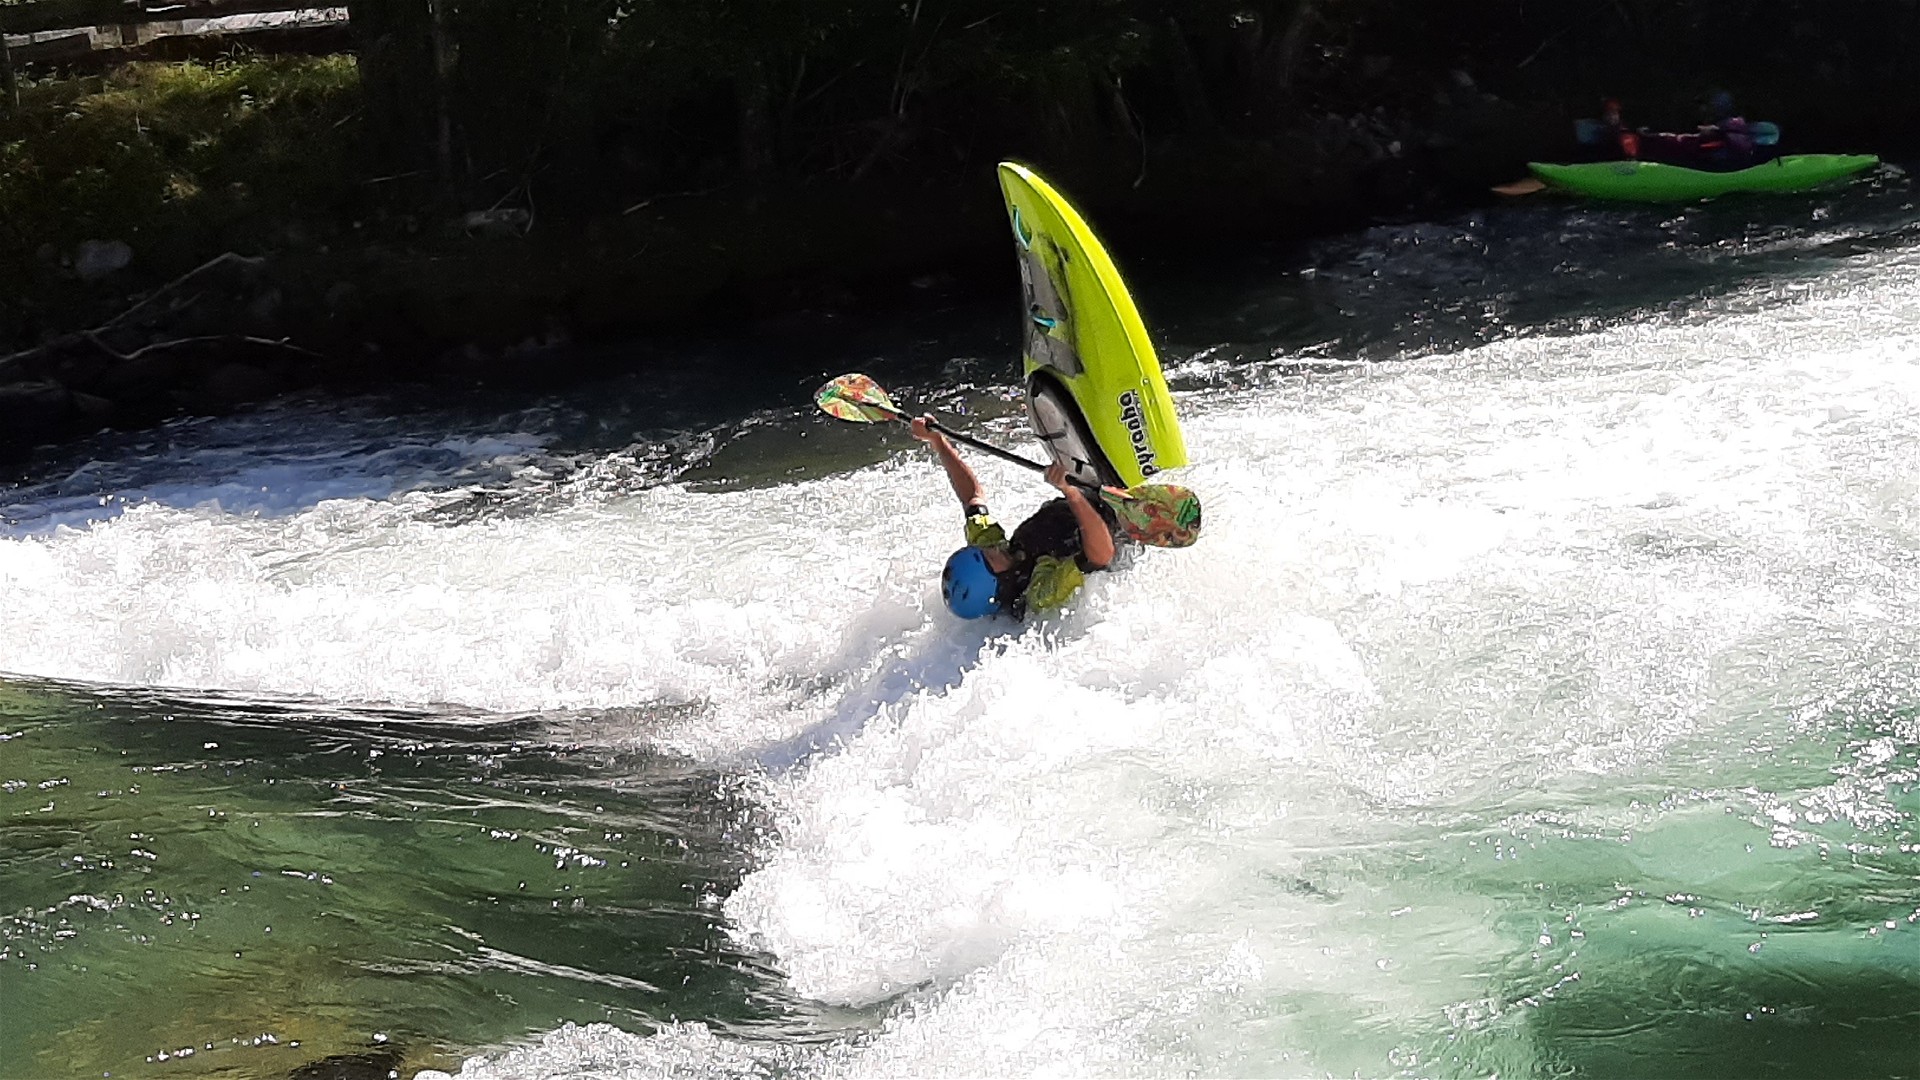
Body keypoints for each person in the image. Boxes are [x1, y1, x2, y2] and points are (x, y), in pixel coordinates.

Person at [910, 413, 1119, 619]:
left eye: (983, 550)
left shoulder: (993, 553)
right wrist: (1071, 493)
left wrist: (938, 442)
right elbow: (1102, 556)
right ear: (996, 583)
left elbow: (971, 498)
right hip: (1120, 532)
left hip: (1088, 500)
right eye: (989, 557)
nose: (992, 548)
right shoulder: (1040, 593)